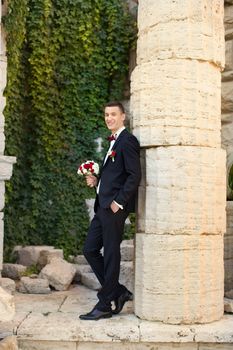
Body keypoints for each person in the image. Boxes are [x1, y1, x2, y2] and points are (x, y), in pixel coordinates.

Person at [79, 101, 141, 320]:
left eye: (113, 114)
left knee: (111, 255)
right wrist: (96, 181)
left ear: (123, 116)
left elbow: (134, 175)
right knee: (90, 249)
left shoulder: (128, 141)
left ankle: (105, 304)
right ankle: (117, 291)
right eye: (106, 114)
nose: (109, 118)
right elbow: (115, 177)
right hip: (102, 206)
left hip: (114, 208)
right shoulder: (114, 143)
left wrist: (119, 203)